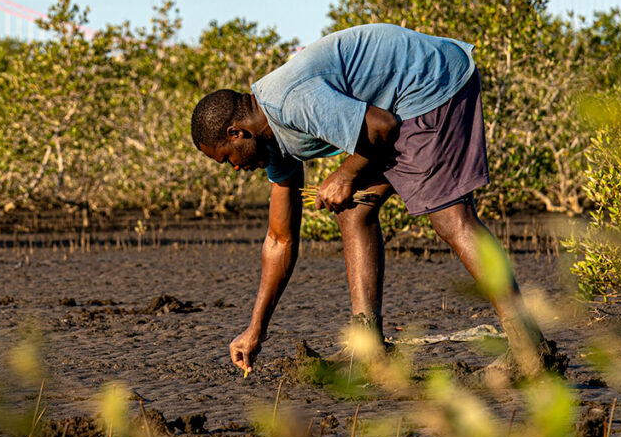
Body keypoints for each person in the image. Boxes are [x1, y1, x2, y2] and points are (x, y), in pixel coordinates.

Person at [190, 23, 560, 381]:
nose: (236, 169)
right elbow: (279, 240)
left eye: (227, 159)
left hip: (431, 85)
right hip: (399, 105)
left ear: (236, 133)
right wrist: (255, 330)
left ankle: (529, 348)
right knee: (354, 211)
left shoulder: (291, 101)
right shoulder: (270, 140)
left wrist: (346, 175)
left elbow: (382, 127)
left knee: (451, 218)